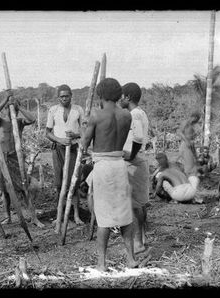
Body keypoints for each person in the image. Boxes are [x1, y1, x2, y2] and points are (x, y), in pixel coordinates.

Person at [82, 78, 138, 270]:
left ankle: (101, 263)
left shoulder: (96, 115)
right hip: (120, 165)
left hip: (104, 167)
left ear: (100, 95)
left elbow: (84, 144)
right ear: (117, 94)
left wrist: (85, 129)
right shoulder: (126, 115)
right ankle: (131, 259)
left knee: (104, 218)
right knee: (125, 214)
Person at [0, 90, 45, 228]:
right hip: (3, 159)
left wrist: (18, 106)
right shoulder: (1, 121)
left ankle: (33, 217)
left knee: (24, 187)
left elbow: (32, 119)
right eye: (10, 107)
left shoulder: (19, 122)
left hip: (16, 158)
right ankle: (8, 216)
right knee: (5, 190)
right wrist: (5, 100)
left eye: (14, 107)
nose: (12, 109)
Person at [45, 84, 85, 232]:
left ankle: (76, 215)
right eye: (61, 96)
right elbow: (47, 132)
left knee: (73, 182)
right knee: (58, 182)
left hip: (73, 148)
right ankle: (60, 214)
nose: (64, 99)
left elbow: (84, 131)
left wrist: (75, 135)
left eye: (66, 96)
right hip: (58, 149)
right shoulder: (53, 110)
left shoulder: (78, 110)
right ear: (58, 98)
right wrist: (60, 140)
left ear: (71, 96)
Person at [120, 82, 151, 256]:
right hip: (136, 159)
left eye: (122, 96)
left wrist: (130, 155)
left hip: (134, 162)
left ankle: (138, 242)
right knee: (140, 204)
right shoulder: (138, 113)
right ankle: (142, 239)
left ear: (128, 97)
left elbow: (138, 137)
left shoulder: (135, 114)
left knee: (135, 205)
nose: (120, 99)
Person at [177, 111, 201, 177]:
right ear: (194, 117)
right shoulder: (185, 123)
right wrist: (186, 140)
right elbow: (179, 132)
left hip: (191, 145)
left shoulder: (192, 125)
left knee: (194, 161)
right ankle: (186, 178)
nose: (197, 121)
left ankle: (190, 177)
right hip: (185, 145)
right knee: (188, 164)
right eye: (197, 119)